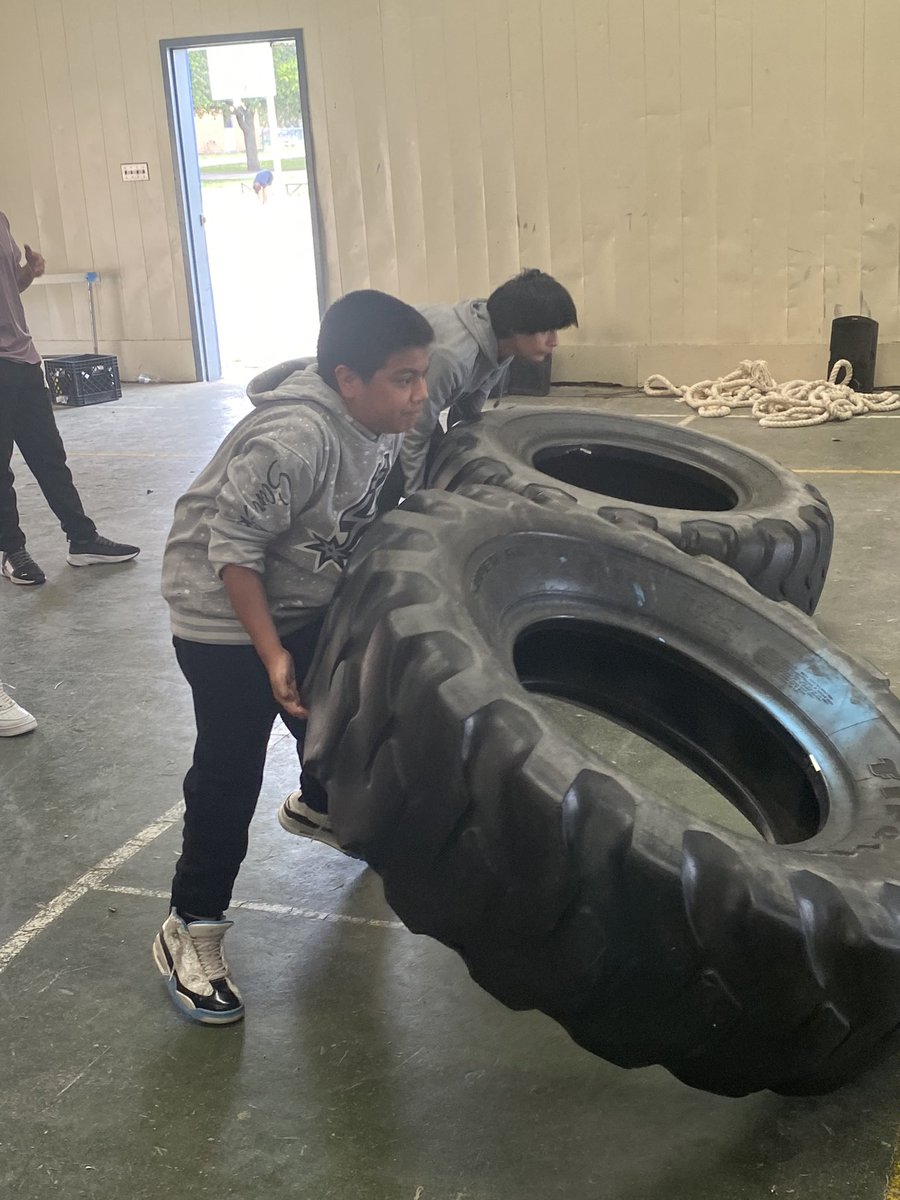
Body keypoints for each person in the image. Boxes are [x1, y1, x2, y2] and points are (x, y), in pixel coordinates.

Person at [154, 289, 434, 1024]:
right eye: (404, 378)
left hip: (302, 597)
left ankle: (318, 805)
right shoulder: (295, 440)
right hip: (222, 614)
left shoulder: (379, 424)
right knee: (230, 766)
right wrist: (273, 654)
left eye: (422, 375)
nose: (420, 394)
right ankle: (192, 925)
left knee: (341, 722)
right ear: (349, 379)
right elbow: (232, 552)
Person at [0, 210, 140, 585]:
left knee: (50, 458)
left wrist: (28, 272)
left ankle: (82, 539)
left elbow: (9, 286)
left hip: (24, 360)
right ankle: (11, 551)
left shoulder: (1, 219)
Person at [384, 268, 578, 506]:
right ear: (516, 328)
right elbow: (414, 427)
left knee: (438, 462)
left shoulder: (501, 344)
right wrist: (416, 496)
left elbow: (469, 411)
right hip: (374, 400)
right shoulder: (453, 357)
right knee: (389, 483)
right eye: (546, 330)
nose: (554, 341)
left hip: (412, 404)